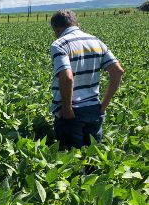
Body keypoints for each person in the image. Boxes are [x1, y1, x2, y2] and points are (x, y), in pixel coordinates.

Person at [50, 10, 124, 149]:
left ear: (57, 28)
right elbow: (117, 71)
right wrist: (103, 106)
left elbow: (67, 77)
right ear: (76, 23)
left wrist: (67, 108)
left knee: (71, 163)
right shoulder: (96, 41)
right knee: (92, 159)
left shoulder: (60, 44)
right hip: (94, 109)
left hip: (71, 112)